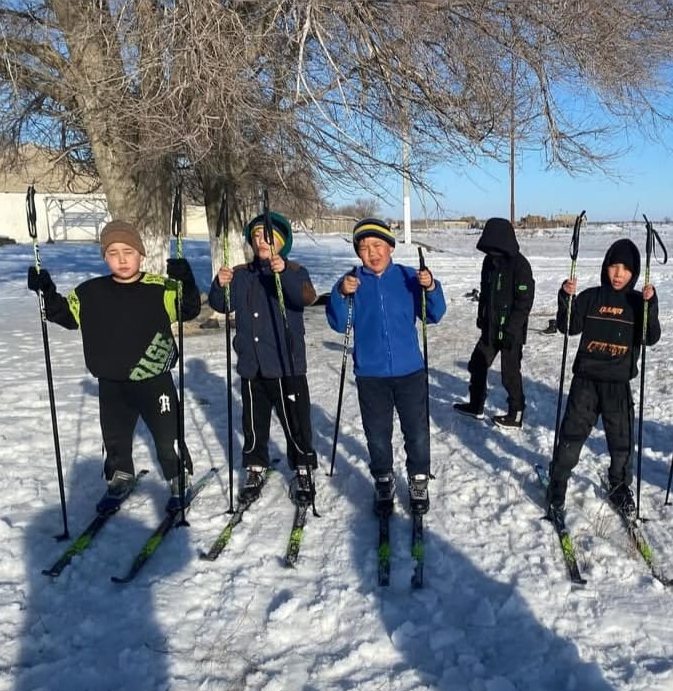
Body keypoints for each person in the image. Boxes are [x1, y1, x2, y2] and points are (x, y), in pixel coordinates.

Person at [26, 219, 201, 512]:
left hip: (154, 380)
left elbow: (189, 309)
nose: (121, 258)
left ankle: (177, 477)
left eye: (129, 251)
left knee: (166, 436)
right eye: (113, 252)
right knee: (115, 438)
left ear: (141, 254)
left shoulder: (162, 288)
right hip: (111, 382)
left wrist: (187, 281)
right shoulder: (89, 292)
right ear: (105, 256)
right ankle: (120, 477)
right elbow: (66, 316)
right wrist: (46, 291)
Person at [325, 218, 446, 515]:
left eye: (377, 245)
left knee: (416, 431)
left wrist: (430, 287)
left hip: (410, 371)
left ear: (390, 247)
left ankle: (418, 478)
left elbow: (435, 314)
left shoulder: (407, 277)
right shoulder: (351, 282)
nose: (372, 253)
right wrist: (341, 294)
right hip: (370, 374)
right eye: (364, 248)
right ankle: (383, 478)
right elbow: (340, 323)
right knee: (377, 434)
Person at [207, 211, 318, 506]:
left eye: (268, 237)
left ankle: (303, 466)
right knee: (253, 422)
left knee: (295, 421)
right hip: (252, 366)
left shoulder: (294, 270)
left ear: (281, 242)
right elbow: (223, 305)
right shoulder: (243, 274)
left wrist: (281, 273)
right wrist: (221, 284)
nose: (262, 241)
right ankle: (255, 466)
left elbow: (304, 298)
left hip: (285, 365)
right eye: (256, 236)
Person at [545, 238, 659, 524]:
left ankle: (620, 486)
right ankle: (557, 483)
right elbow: (568, 327)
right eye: (613, 266)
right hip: (586, 382)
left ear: (634, 273)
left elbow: (649, 336)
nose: (618, 274)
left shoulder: (636, 302)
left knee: (621, 442)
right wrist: (566, 298)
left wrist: (650, 304)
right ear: (605, 267)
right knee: (571, 436)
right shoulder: (592, 297)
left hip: (618, 386)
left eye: (626, 269)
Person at [453, 217, 534, 427]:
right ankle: (476, 404)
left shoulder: (520, 265)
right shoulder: (488, 262)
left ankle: (516, 413)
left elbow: (524, 302)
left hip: (511, 333)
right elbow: (485, 291)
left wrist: (511, 329)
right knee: (477, 364)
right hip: (490, 328)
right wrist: (482, 315)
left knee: (510, 374)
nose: (491, 252)